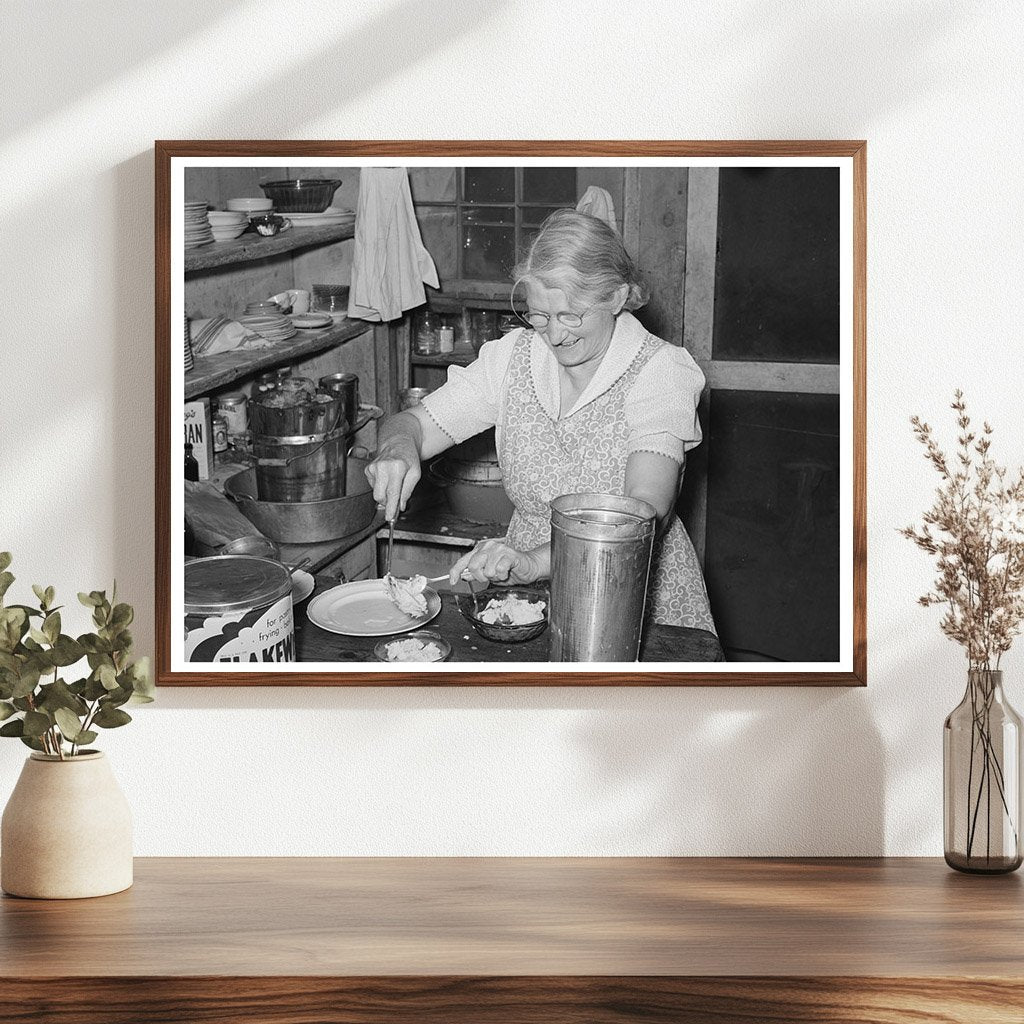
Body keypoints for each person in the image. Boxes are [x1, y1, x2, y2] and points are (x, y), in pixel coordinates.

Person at [367, 209, 716, 633]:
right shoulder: (513, 358)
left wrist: (536, 561)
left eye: (571, 315)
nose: (554, 335)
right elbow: (415, 424)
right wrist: (398, 447)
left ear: (617, 297)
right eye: (538, 315)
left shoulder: (659, 371)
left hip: (631, 587)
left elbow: (642, 513)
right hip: (527, 585)